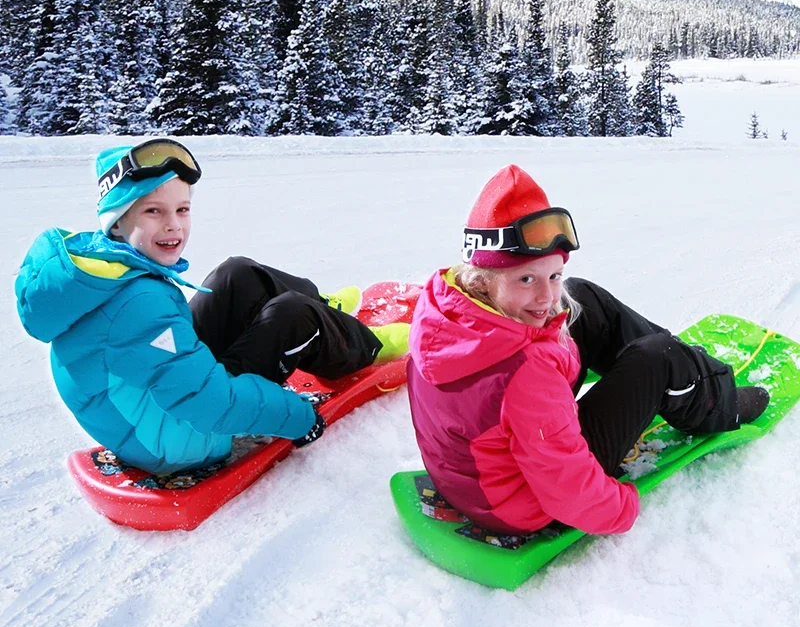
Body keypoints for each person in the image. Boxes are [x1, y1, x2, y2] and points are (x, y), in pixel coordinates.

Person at [407, 165, 770, 537]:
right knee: (657, 356)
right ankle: (707, 396)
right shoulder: (525, 374)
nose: (546, 296)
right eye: (526, 279)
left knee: (581, 299)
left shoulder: (442, 305)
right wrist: (625, 506)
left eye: (552, 274)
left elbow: (513, 390)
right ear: (484, 278)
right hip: (523, 503)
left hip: (474, 477)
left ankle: (682, 371)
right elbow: (570, 492)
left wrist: (543, 295)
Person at [15, 138, 409, 475]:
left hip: (153, 407)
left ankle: (325, 307)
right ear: (116, 222)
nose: (174, 225)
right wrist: (297, 417)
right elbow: (208, 404)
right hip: (183, 440)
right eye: (153, 211)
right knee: (293, 315)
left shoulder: (99, 269)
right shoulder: (143, 304)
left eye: (181, 209)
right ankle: (363, 343)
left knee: (235, 274)